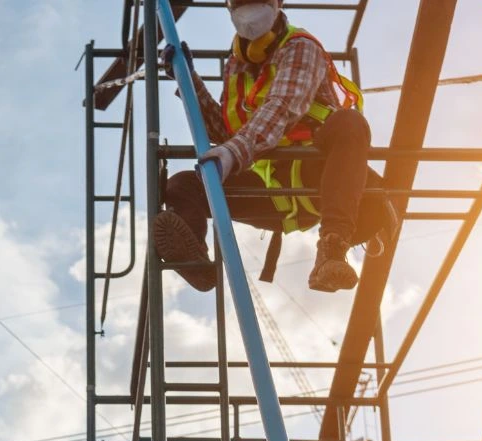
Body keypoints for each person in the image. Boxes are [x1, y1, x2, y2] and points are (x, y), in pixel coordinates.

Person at [157, 0, 396, 294]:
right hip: (270, 189)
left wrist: (233, 154)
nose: (250, 7)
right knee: (183, 186)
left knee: (349, 123)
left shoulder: (300, 47)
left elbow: (283, 107)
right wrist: (189, 82)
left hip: (320, 177)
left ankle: (333, 248)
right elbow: (225, 132)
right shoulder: (236, 65)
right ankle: (198, 267)